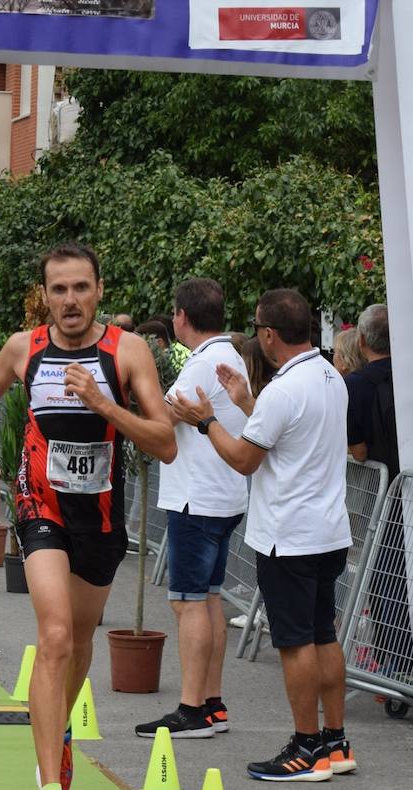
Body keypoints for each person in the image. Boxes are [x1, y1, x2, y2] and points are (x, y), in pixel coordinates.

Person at [0, 242, 174, 790]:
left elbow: (165, 441)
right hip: (41, 507)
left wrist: (104, 404)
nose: (70, 300)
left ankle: (54, 738)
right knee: (54, 635)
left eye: (81, 287)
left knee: (79, 644)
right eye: (59, 289)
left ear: (99, 290)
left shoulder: (126, 351)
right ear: (45, 296)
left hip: (101, 519)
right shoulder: (23, 348)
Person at [170, 288, 355, 783]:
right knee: (323, 633)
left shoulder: (284, 389)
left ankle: (305, 746)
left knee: (295, 643)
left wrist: (206, 421)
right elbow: (285, 436)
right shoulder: (328, 376)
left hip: (287, 534)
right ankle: (335, 741)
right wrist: (245, 401)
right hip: (328, 530)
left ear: (270, 334)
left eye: (257, 329)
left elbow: (244, 458)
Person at [136, 278, 247, 740]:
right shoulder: (231, 355)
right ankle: (212, 703)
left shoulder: (201, 364)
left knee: (188, 603)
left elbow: (161, 419)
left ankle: (191, 708)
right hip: (222, 493)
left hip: (195, 497)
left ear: (182, 316)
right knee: (210, 598)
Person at [345, 304, 413, 675]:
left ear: (361, 339)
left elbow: (357, 450)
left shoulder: (356, 384)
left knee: (385, 573)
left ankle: (393, 660)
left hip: (384, 492)